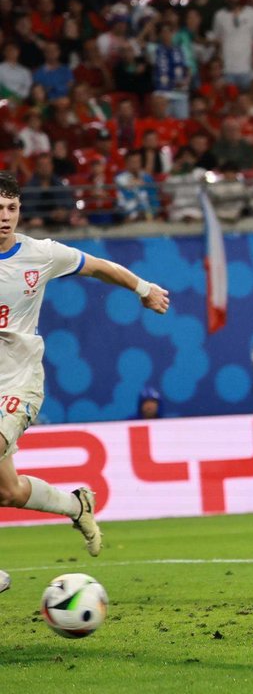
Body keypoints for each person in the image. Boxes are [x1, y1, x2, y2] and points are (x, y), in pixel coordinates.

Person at [0, 171, 169, 588]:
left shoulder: (40, 254)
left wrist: (142, 287)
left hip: (18, 382)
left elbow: (97, 267)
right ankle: (77, 505)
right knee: (9, 493)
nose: (4, 217)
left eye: (11, 208)